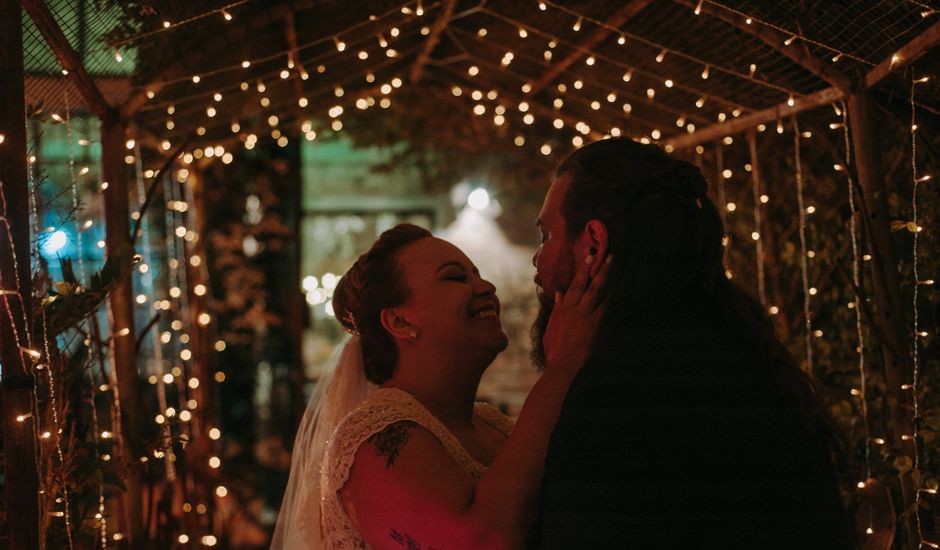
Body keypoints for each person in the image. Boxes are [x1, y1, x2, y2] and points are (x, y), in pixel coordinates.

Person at [530, 138, 854, 549]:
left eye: (546, 235)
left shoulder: (616, 390)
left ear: (593, 243)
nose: (537, 259)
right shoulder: (743, 348)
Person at [272, 223, 610, 549]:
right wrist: (560, 368)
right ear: (400, 321)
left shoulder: (492, 424)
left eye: (477, 274)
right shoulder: (373, 438)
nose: (486, 287)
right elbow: (484, 542)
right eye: (456, 277)